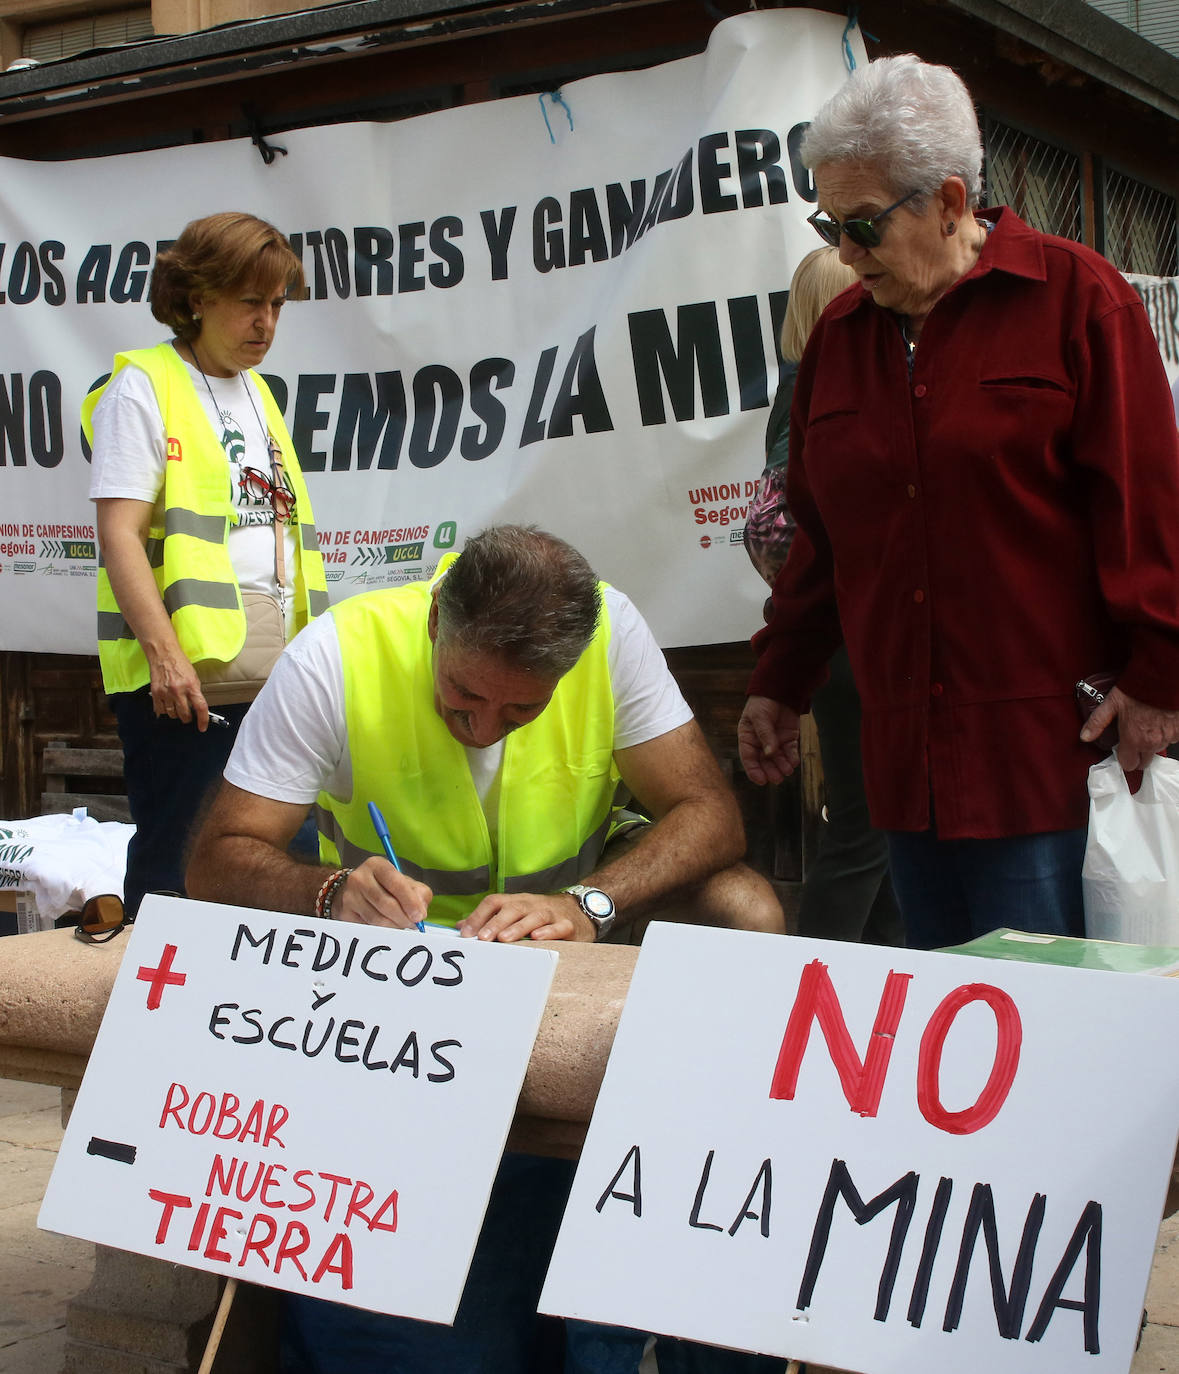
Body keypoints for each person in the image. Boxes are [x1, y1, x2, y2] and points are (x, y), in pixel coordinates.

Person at [186, 523, 783, 1373]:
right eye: (463, 695)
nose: (483, 725)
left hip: (558, 942)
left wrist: (590, 902)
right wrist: (329, 894)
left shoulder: (609, 632)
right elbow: (217, 859)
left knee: (747, 909)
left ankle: (701, 1208)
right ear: (436, 623)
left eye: (522, 709)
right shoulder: (336, 655)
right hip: (394, 969)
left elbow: (709, 815)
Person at [737, 54, 1179, 952]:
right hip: (906, 770)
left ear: (947, 201)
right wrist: (779, 683)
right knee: (944, 1033)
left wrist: (1159, 682)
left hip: (1049, 763)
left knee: (1057, 1027)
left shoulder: (1078, 302)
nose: (842, 253)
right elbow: (822, 542)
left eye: (860, 226)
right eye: (828, 223)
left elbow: (1149, 512)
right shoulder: (840, 339)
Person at [85, 211, 327, 920]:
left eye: (277, 304)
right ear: (196, 297)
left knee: (274, 865)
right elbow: (119, 533)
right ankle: (147, 1016)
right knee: (177, 865)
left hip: (272, 666)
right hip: (187, 678)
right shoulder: (145, 385)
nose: (266, 322)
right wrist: (165, 657)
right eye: (250, 301)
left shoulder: (261, 392)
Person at [745, 245, 902, 948]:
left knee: (887, 825)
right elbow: (809, 518)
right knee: (868, 826)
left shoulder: (803, 380)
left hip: (842, 632)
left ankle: (886, 968)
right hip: (843, 630)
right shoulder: (821, 384)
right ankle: (817, 977)